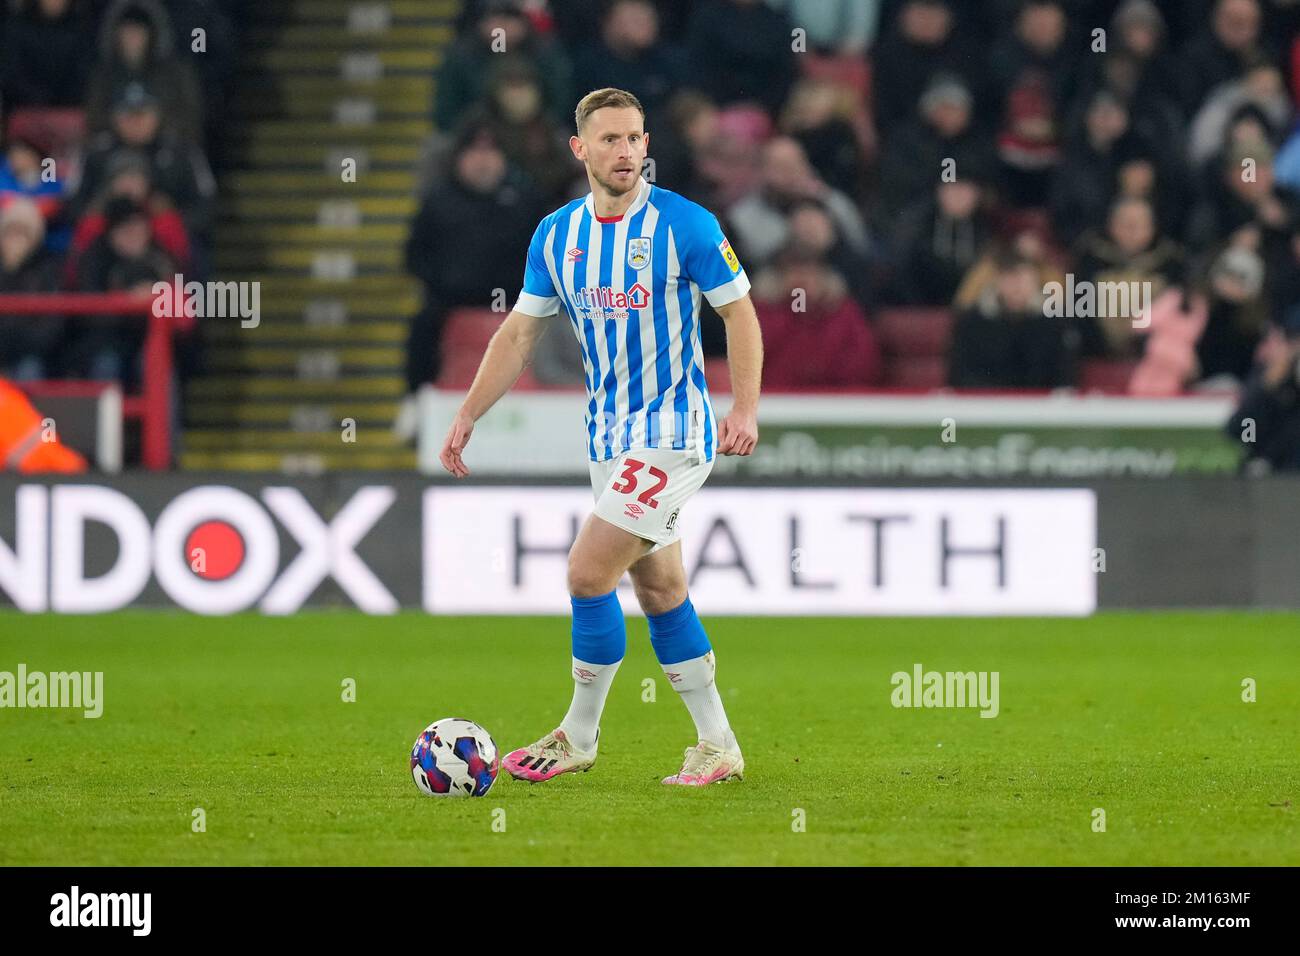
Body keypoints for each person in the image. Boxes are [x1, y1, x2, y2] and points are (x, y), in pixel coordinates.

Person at [439, 88, 762, 787]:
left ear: (649, 146)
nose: (626, 152)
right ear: (579, 149)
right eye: (611, 139)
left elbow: (740, 315)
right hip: (608, 439)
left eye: (636, 139)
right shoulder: (556, 236)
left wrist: (744, 408)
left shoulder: (687, 225)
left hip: (674, 433)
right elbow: (521, 331)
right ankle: (718, 745)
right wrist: (469, 412)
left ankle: (577, 735)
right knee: (661, 590)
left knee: (588, 572)